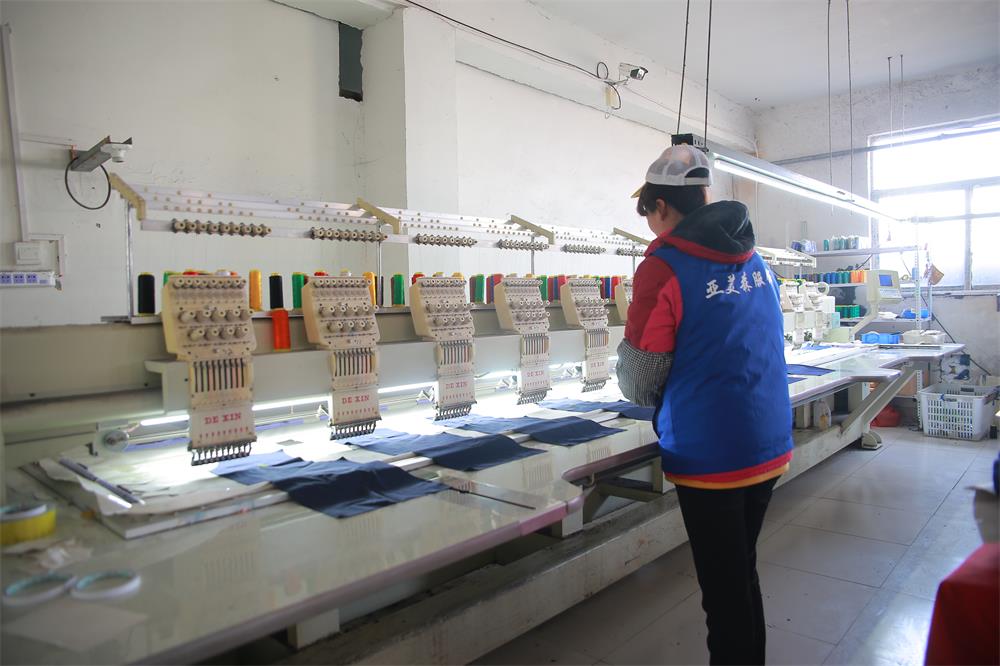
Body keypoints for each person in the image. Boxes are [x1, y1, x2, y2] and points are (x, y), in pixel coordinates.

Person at [616, 144, 792, 665]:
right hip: (767, 439)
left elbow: (640, 379)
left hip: (712, 453)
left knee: (724, 594)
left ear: (661, 206)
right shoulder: (756, 259)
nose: (650, 225)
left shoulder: (663, 267)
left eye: (648, 213)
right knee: (741, 573)